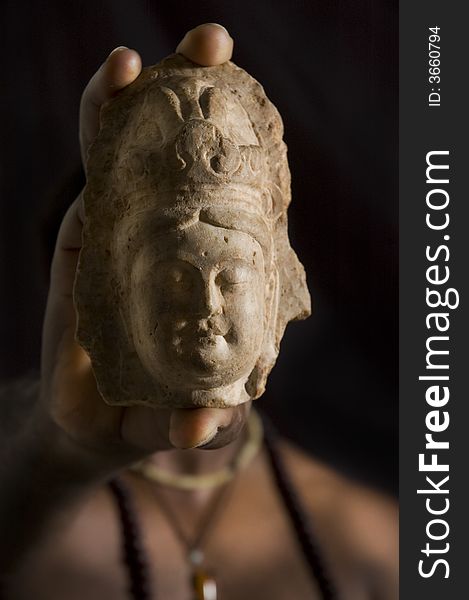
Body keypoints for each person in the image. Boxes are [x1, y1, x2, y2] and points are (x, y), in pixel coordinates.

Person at [0, 24, 397, 600]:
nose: (207, 308)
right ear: (99, 302)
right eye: (174, 281)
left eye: (230, 278)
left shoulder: (370, 541)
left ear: (281, 288)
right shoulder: (26, 509)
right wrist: (56, 457)